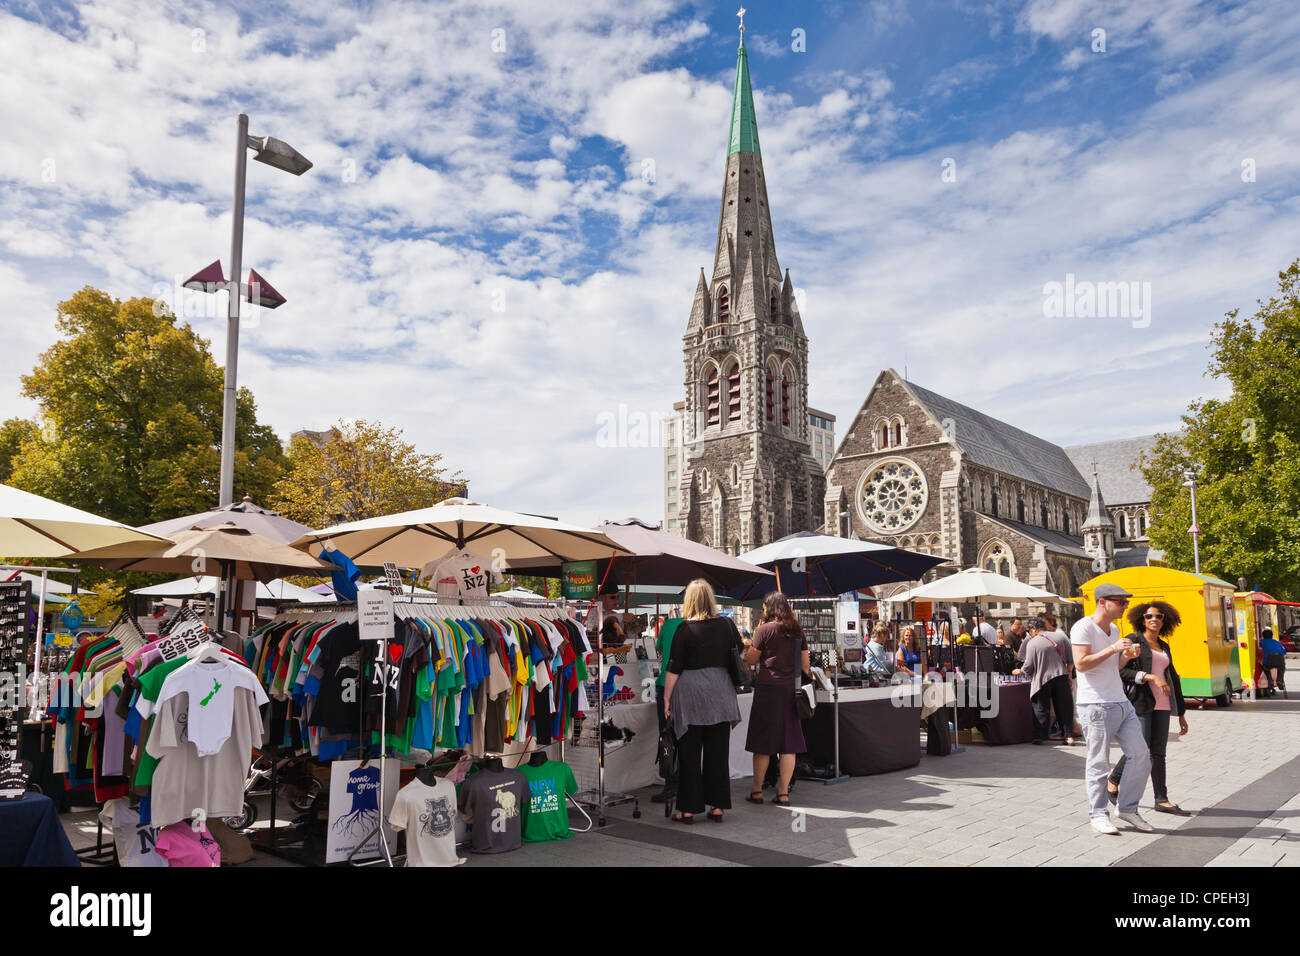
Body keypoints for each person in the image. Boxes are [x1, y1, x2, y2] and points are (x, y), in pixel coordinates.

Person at [1071, 583, 1152, 835]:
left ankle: (1127, 807)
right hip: (1095, 703)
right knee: (1099, 763)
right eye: (1120, 601)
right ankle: (1098, 814)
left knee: (1140, 755)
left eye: (1125, 602)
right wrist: (1112, 649)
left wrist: (1124, 657)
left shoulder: (1114, 628)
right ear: (1102, 602)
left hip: (1119, 700)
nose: (1125, 606)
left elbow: (1112, 667)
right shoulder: (1083, 627)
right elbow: (1081, 665)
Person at [663, 579, 743, 824]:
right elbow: (738, 651)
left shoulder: (684, 629)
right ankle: (717, 806)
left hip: (690, 696)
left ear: (689, 601)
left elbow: (674, 668)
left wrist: (667, 699)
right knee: (718, 753)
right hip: (720, 693)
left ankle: (687, 810)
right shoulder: (728, 625)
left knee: (688, 753)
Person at [1106, 600, 1191, 816]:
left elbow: (1173, 679)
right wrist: (1148, 676)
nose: (1154, 619)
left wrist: (1181, 713)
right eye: (1149, 616)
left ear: (1165, 620)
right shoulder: (1134, 641)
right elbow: (1119, 671)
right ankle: (1113, 780)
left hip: (1163, 705)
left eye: (1159, 616)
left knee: (1158, 753)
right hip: (1141, 702)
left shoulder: (1164, 646)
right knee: (1140, 748)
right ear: (1141, 620)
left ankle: (1161, 799)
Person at [742, 592, 812, 806]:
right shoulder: (797, 630)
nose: (762, 610)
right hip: (791, 690)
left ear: (770, 608)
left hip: (768, 689)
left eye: (764, 607)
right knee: (788, 744)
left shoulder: (763, 630)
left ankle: (756, 791)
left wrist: (749, 644)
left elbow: (752, 660)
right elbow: (806, 666)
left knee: (763, 743)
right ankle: (783, 793)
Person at [1012, 618, 1075, 745]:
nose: (1030, 634)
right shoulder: (1061, 637)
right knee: (1064, 707)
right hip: (1061, 675)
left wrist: (1019, 671)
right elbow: (1070, 659)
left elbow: (1028, 666)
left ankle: (1040, 736)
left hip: (1042, 679)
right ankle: (1069, 736)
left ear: (1034, 629)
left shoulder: (1033, 642)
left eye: (1029, 631)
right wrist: (1068, 673)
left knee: (1040, 707)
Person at [1042, 610, 1083, 738]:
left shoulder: (1058, 635)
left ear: (1050, 623)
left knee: (1065, 703)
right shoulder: (1051, 634)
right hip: (1064, 673)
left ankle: (1070, 729)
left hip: (1066, 673)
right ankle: (1075, 729)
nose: (1041, 625)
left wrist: (1069, 672)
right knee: (1066, 703)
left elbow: (1068, 655)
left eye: (1043, 622)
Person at [1258, 628, 1287, 695]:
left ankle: (1270, 680)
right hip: (1279, 662)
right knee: (1282, 668)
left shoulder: (1261, 642)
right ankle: (1279, 679)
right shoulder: (1277, 642)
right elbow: (1284, 652)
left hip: (1268, 662)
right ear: (1272, 636)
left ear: (1263, 636)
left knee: (1265, 668)